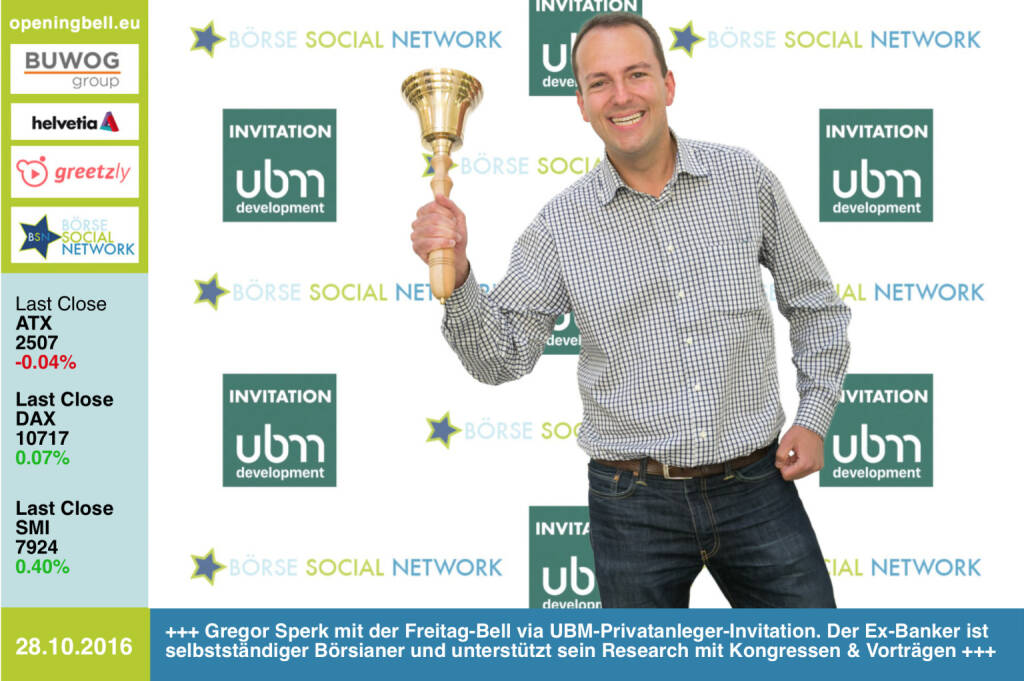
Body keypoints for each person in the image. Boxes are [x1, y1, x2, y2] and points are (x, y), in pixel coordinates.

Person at [410, 13, 850, 608]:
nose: (621, 96)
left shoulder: (745, 180)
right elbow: (501, 359)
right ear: (582, 104)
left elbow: (815, 303)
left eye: (637, 74)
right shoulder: (559, 227)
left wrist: (815, 415)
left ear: (668, 85)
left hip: (757, 485)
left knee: (815, 653)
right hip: (632, 505)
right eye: (600, 82)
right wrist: (460, 273)